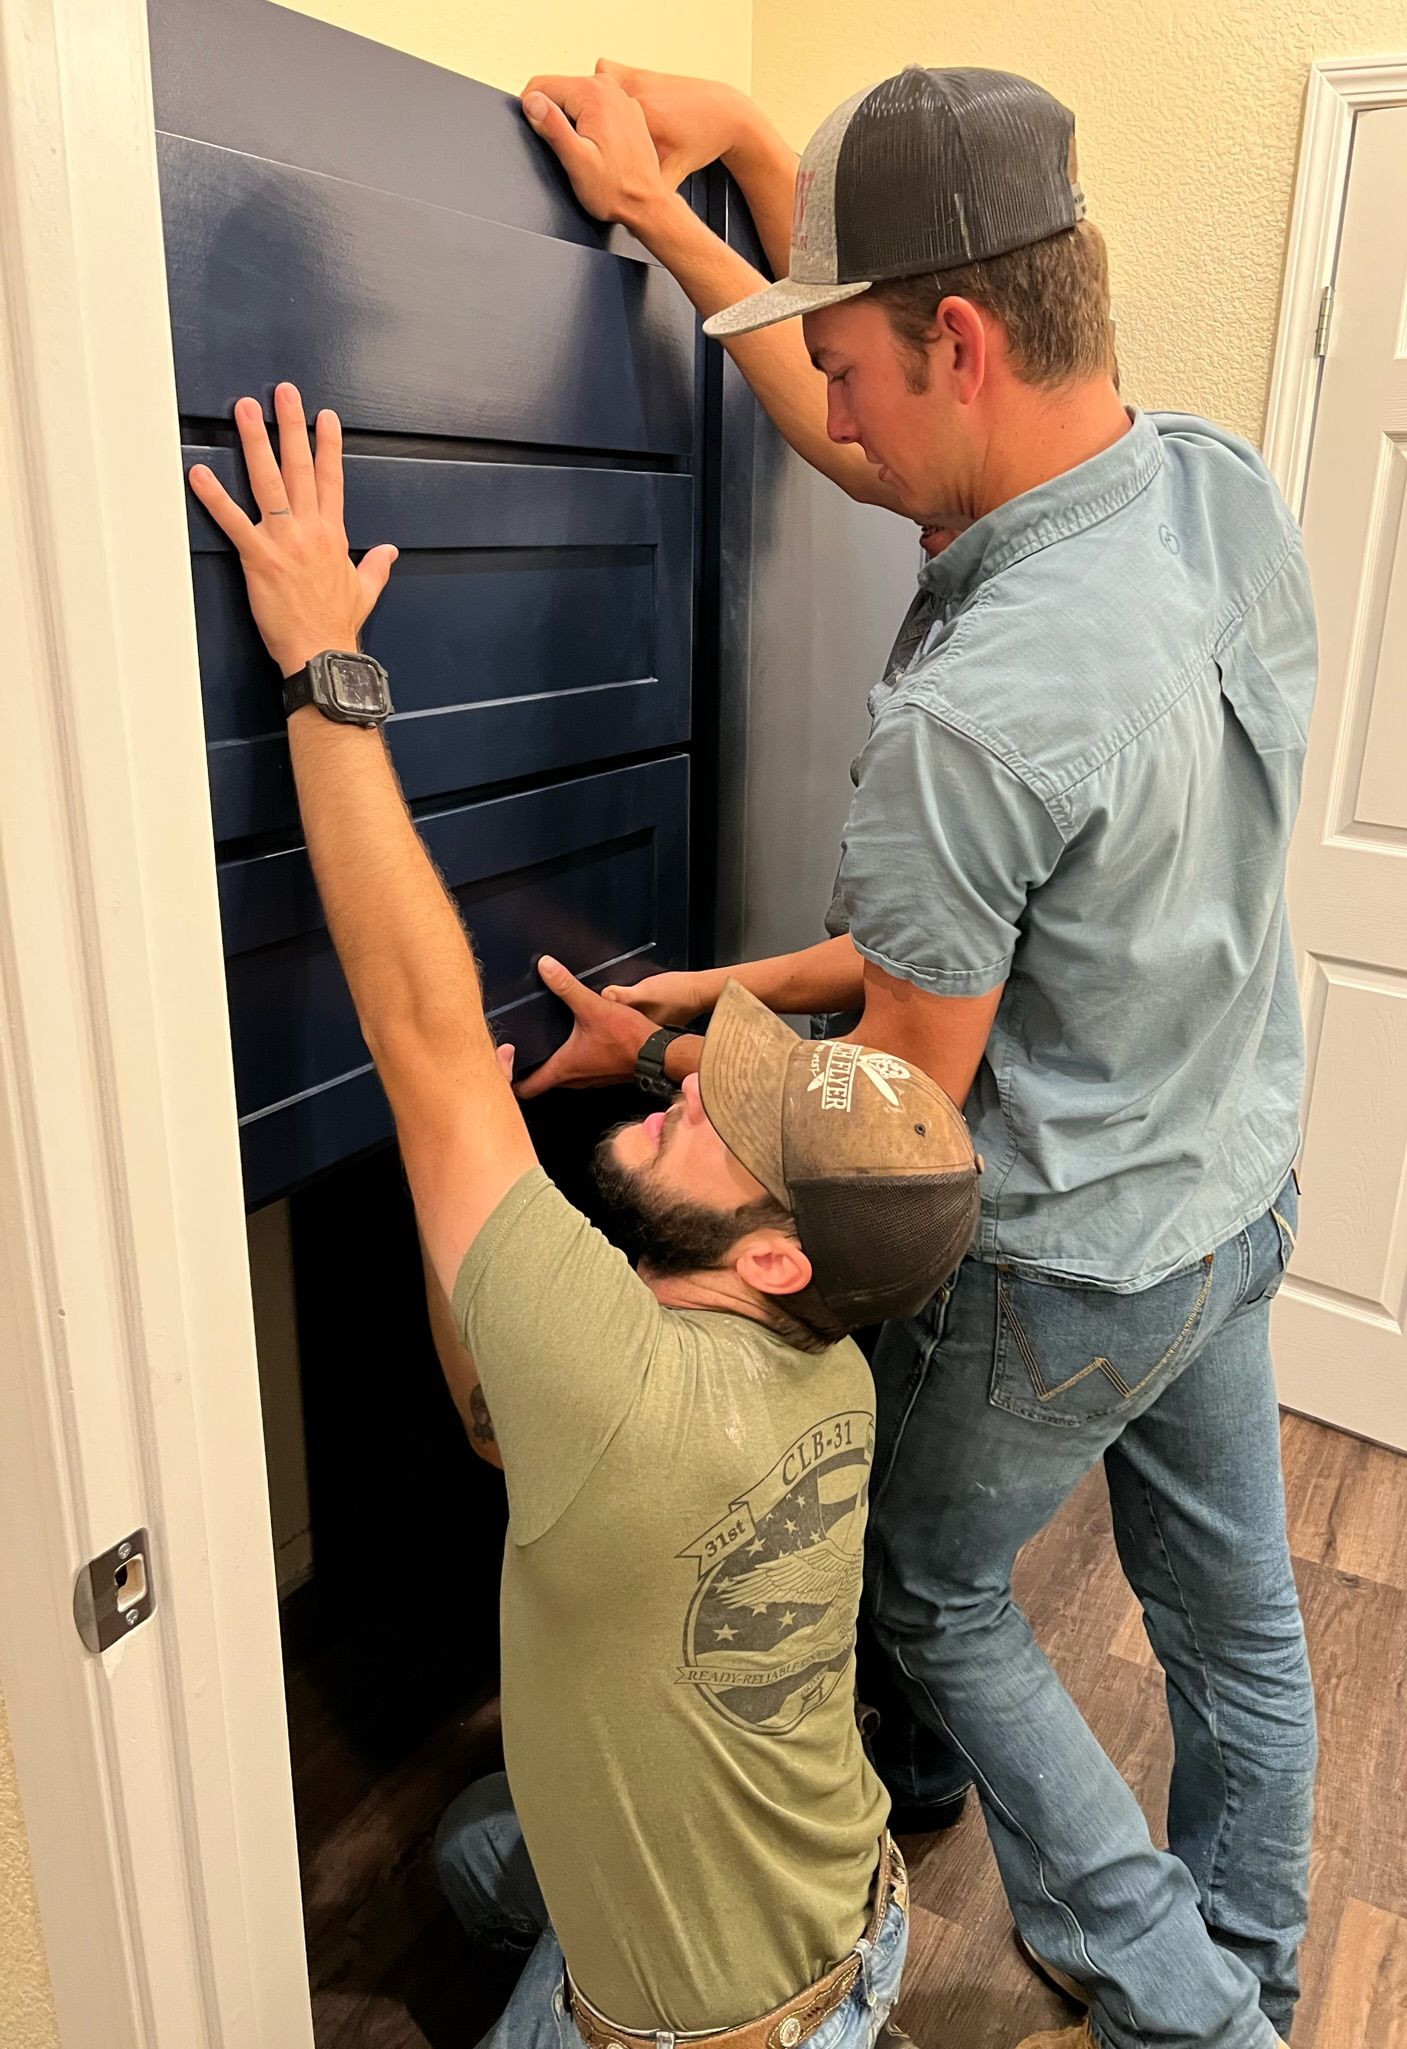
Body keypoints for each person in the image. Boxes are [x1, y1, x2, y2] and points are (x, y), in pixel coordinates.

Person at [519, 63, 1316, 2049]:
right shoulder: (1208, 481)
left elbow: (899, 1115)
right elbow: (874, 404)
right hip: (1231, 1176)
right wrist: (688, 204)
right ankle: (1258, 1966)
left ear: (959, 341)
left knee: (938, 1593)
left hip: (1060, 1258)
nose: (835, 426)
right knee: (1232, 1599)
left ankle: (1182, 2009)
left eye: (855, 373)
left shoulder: (977, 714)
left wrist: (696, 1077)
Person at [187, 386, 986, 2049]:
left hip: (707, 2036)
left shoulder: (632, 1399)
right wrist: (454, 1195)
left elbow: (420, 1036)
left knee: (508, 1897)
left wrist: (325, 666)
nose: (685, 1084)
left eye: (728, 1122)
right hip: (849, 1912)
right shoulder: (818, 1361)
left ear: (773, 1255)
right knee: (490, 1853)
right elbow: (498, 1418)